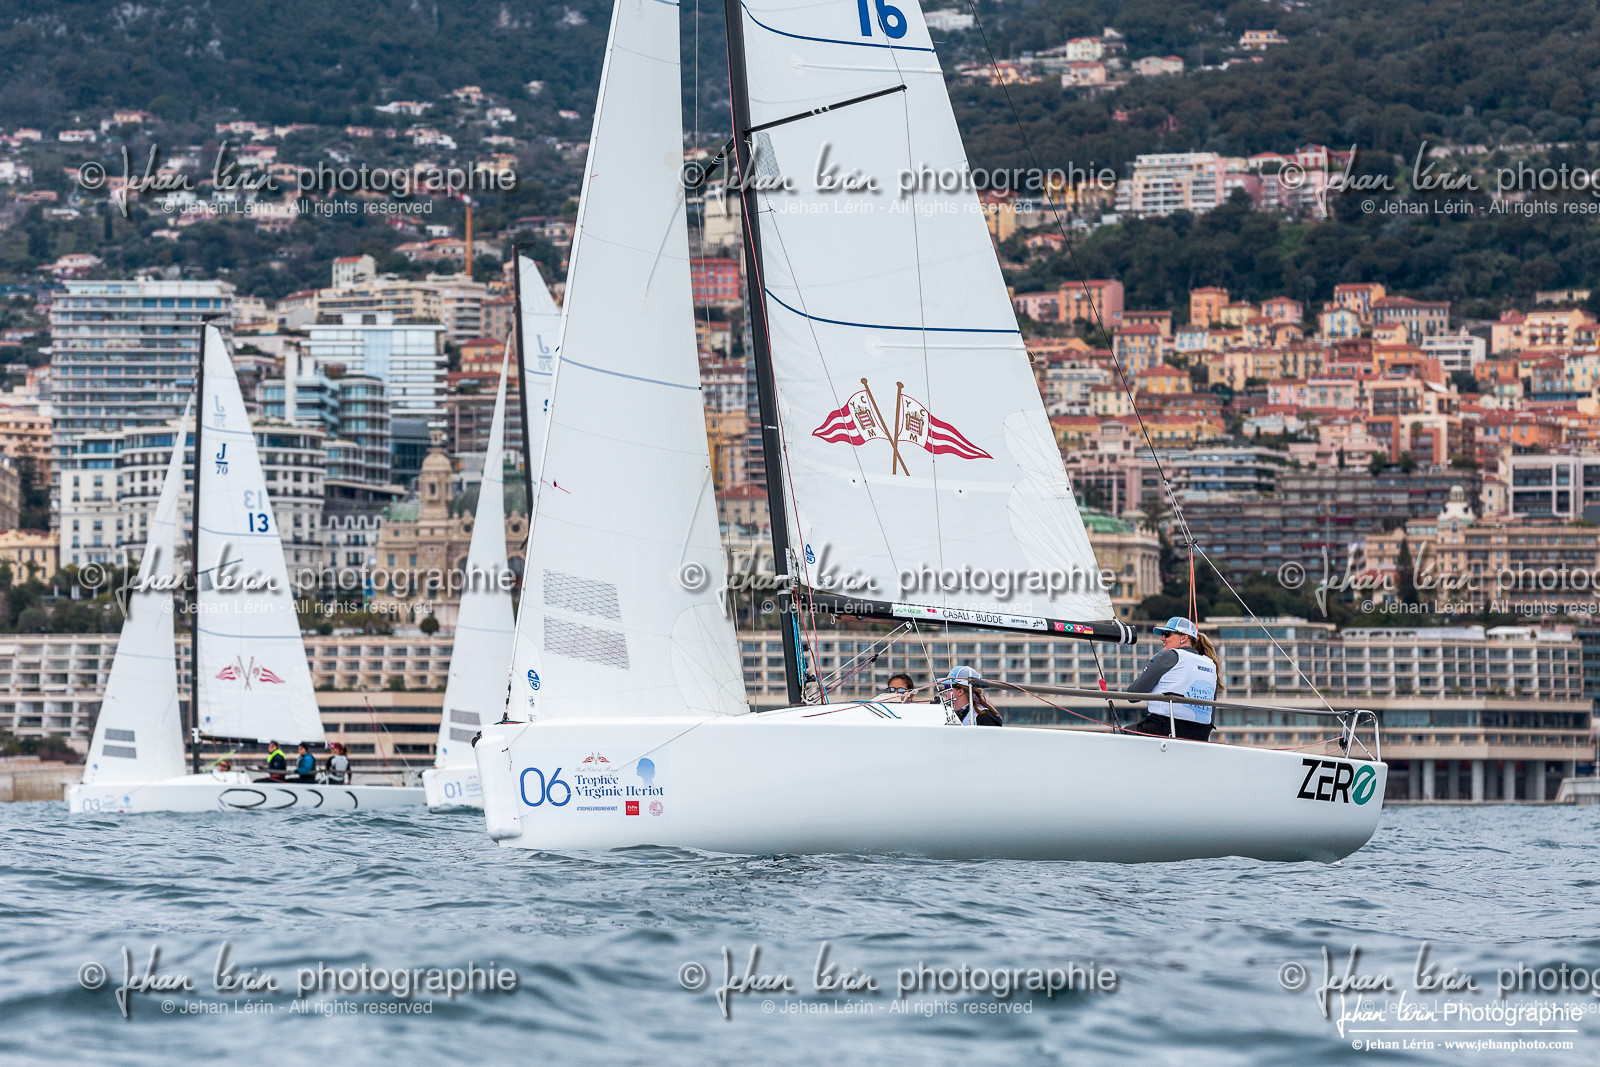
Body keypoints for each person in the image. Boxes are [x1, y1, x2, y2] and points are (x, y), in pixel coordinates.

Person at [1124, 617, 1221, 742]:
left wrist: (1153, 663)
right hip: (1201, 733)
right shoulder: (1211, 665)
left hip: (1164, 727)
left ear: (1184, 638)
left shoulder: (1168, 656)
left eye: (1167, 634)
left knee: (1121, 735)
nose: (1162, 638)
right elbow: (1211, 711)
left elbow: (1133, 695)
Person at [936, 665, 1002, 727]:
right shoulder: (951, 715)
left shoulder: (985, 718)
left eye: (947, 686)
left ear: (960, 691)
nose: (943, 689)